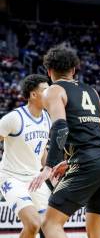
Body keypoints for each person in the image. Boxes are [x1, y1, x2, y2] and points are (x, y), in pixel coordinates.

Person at [29, 44, 100, 238]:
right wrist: (69, 161)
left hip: (87, 162)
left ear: (49, 71)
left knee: (49, 225)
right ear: (73, 70)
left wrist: (49, 165)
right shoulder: (92, 92)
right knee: (97, 234)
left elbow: (60, 127)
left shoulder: (53, 90)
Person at [0, 74, 51, 238]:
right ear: (33, 94)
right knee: (33, 223)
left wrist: (52, 169)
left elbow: (42, 151)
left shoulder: (47, 119)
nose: (49, 93)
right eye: (45, 90)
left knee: (49, 225)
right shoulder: (14, 118)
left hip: (35, 178)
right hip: (11, 178)